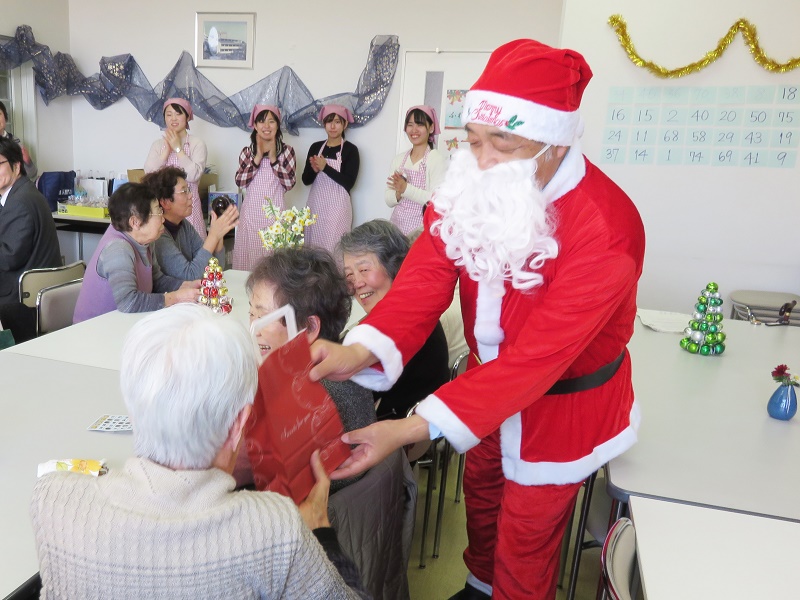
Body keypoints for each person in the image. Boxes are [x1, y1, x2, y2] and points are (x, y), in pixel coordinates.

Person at [310, 39, 646, 600]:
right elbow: (424, 277)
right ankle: (478, 585)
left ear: (555, 141)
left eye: (503, 141)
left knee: (528, 535)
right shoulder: (468, 186)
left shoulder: (606, 227)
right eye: (471, 140)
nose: (482, 158)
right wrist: (358, 351)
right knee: (484, 496)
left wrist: (407, 428)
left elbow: (538, 360)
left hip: (561, 405)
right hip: (482, 392)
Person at [31, 304, 368, 599]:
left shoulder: (52, 499)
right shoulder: (275, 526)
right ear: (240, 425)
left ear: (133, 411)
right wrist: (322, 534)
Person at [244, 246, 376, 491]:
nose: (254, 328)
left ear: (310, 328)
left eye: (262, 316)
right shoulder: (344, 366)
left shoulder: (309, 396)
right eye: (250, 312)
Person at [340, 220, 449, 421]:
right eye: (349, 275)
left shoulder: (402, 331)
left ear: (395, 266)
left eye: (364, 270)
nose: (357, 283)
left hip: (399, 442)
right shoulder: (415, 313)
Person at [73, 183, 199, 323]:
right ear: (135, 222)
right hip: (94, 332)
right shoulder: (117, 249)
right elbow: (128, 302)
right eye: (158, 212)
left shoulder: (145, 241)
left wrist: (186, 285)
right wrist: (176, 297)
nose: (163, 218)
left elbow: (157, 281)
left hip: (123, 324)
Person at [0, 137, 60, 341]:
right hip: (32, 291)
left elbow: (9, 258)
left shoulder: (20, 202)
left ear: (16, 166)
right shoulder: (21, 193)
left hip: (22, 300)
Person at [146, 166, 238, 280]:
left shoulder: (184, 225)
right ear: (165, 202)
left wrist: (219, 236)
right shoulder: (159, 235)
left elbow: (215, 269)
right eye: (184, 191)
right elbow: (189, 276)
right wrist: (213, 236)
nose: (191, 195)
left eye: (189, 190)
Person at [233, 104, 296, 270]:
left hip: (276, 219)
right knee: (248, 267)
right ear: (255, 125)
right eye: (261, 121)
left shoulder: (288, 152)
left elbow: (289, 184)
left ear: (278, 125)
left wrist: (274, 159)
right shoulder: (247, 152)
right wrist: (258, 157)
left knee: (275, 269)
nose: (266, 126)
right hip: (250, 217)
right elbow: (240, 182)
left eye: (271, 121)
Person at [144, 98, 208, 240]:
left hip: (189, 210)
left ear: (187, 117)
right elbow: (149, 174)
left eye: (178, 114)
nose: (173, 118)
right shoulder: (158, 145)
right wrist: (166, 151)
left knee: (194, 251)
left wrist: (178, 148)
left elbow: (194, 175)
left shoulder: (197, 144)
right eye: (169, 114)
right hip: (162, 211)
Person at [302, 105, 359, 253]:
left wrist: (325, 167)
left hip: (338, 210)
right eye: (329, 122)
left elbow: (349, 182)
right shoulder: (315, 147)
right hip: (315, 207)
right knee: (312, 250)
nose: (333, 126)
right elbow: (305, 180)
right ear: (323, 124)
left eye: (337, 122)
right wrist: (314, 170)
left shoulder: (350, 150)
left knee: (335, 248)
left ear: (345, 124)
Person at [385, 105, 447, 235]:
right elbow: (388, 199)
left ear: (431, 128)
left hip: (422, 230)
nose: (414, 130)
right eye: (410, 125)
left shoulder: (436, 159)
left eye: (419, 124)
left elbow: (436, 201)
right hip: (397, 229)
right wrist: (397, 193)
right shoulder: (399, 159)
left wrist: (405, 189)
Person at [0, 101, 37, 180]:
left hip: (12, 189)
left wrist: (27, 162)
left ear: (5, 117)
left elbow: (32, 174)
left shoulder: (14, 141)